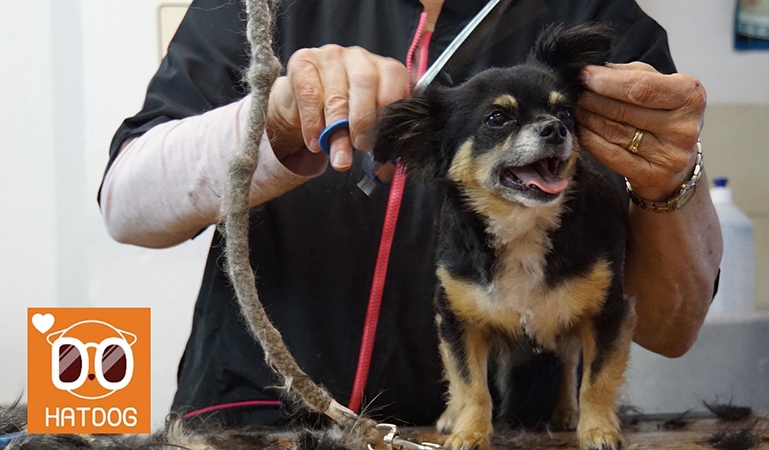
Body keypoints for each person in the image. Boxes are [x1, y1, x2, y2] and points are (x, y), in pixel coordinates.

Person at [99, 0, 722, 429]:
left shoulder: (597, 24)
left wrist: (673, 179)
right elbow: (126, 205)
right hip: (254, 422)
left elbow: (672, 327)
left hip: (494, 433)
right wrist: (281, 116)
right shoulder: (266, 6)